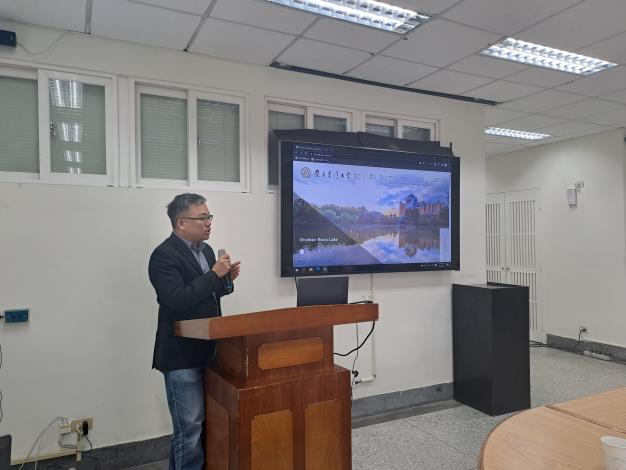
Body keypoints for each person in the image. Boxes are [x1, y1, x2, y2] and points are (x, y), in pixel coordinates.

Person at [148, 193, 240, 470]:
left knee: (201, 429)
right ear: (181, 223)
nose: (209, 223)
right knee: (188, 432)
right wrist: (213, 276)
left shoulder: (208, 252)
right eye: (202, 218)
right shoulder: (163, 256)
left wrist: (226, 282)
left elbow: (206, 299)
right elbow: (177, 300)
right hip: (181, 356)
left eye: (209, 217)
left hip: (209, 352)